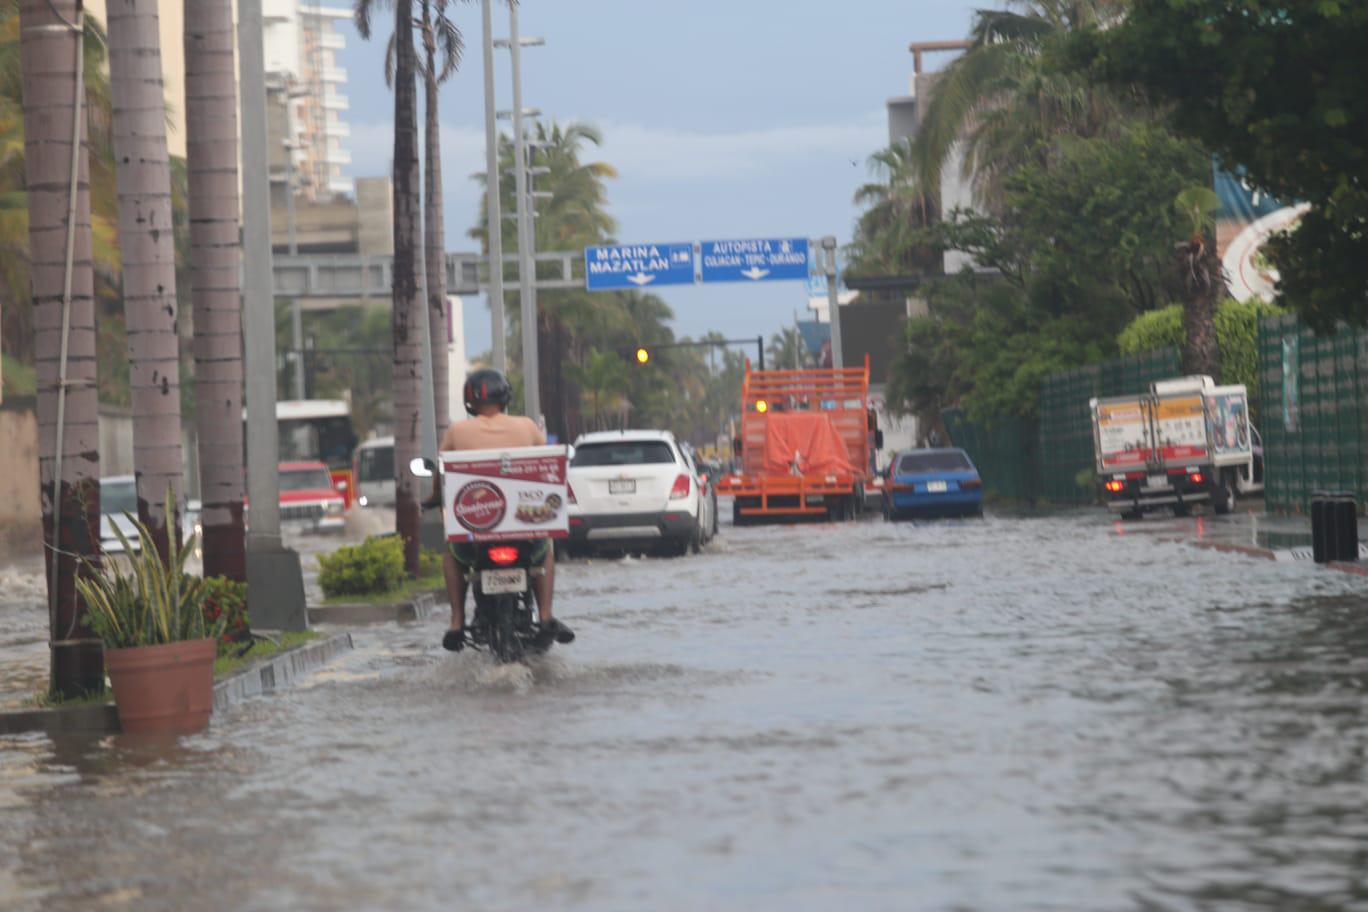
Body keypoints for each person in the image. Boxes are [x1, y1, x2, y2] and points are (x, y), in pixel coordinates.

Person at [439, 368, 574, 651]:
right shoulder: (526, 426)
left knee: (451, 553)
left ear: (470, 401)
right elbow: (546, 464)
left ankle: (456, 620)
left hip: (477, 531)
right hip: (523, 531)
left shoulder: (457, 430)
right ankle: (546, 614)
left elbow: (443, 474)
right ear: (505, 397)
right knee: (545, 550)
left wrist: (431, 498)